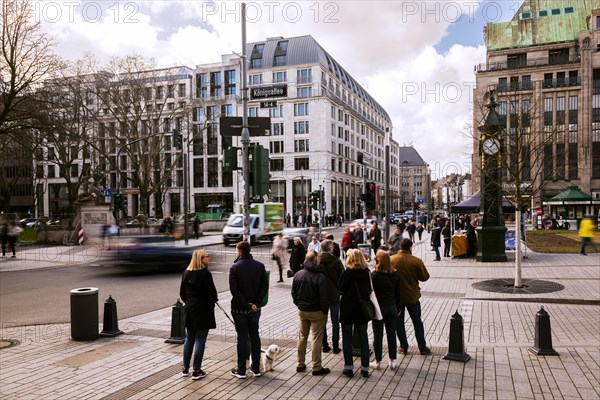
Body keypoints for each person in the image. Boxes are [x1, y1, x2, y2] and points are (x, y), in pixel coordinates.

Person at [229, 241, 268, 379]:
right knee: (254, 336)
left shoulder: (235, 267)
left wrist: (246, 304)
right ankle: (256, 368)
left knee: (242, 338)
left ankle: (241, 370)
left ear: (239, 251)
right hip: (255, 310)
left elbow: (235, 291)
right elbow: (264, 288)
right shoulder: (260, 266)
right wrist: (254, 304)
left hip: (239, 309)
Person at [180, 249, 218, 380]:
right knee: (200, 340)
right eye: (207, 257)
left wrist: (189, 301)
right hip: (203, 310)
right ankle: (196, 370)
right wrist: (212, 300)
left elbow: (182, 294)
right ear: (200, 259)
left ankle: (185, 368)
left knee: (189, 339)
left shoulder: (186, 273)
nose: (209, 259)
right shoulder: (205, 274)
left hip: (190, 309)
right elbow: (212, 294)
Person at [291, 251, 331, 376]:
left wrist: (299, 305)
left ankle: (300, 363)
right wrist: (324, 311)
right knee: (316, 339)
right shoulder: (320, 277)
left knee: (302, 337)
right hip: (317, 312)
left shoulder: (298, 274)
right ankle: (316, 366)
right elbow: (324, 298)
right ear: (316, 261)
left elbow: (293, 294)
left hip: (303, 311)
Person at [391, 238, 431, 356]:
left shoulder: (391, 259)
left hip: (397, 298)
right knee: (417, 321)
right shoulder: (416, 261)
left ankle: (403, 347)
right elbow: (425, 277)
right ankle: (422, 347)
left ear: (400, 247)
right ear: (410, 247)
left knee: (399, 323)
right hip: (412, 296)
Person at [339, 249, 372, 378]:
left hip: (347, 309)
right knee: (363, 338)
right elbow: (370, 289)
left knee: (347, 339)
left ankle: (348, 368)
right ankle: (365, 368)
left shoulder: (346, 273)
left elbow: (340, 289)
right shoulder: (366, 272)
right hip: (361, 310)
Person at [370, 250, 400, 370]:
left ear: (378, 260)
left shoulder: (374, 275)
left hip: (379, 308)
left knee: (378, 334)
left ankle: (377, 361)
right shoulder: (396, 274)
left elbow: (372, 294)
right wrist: (398, 308)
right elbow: (398, 294)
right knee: (391, 334)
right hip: (392, 307)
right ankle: (392, 361)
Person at [318, 240, 344, 354]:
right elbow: (342, 277)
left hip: (321, 295)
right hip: (334, 295)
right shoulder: (336, 261)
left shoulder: (317, 260)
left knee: (322, 320)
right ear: (330, 249)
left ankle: (324, 345)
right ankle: (335, 346)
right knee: (335, 321)